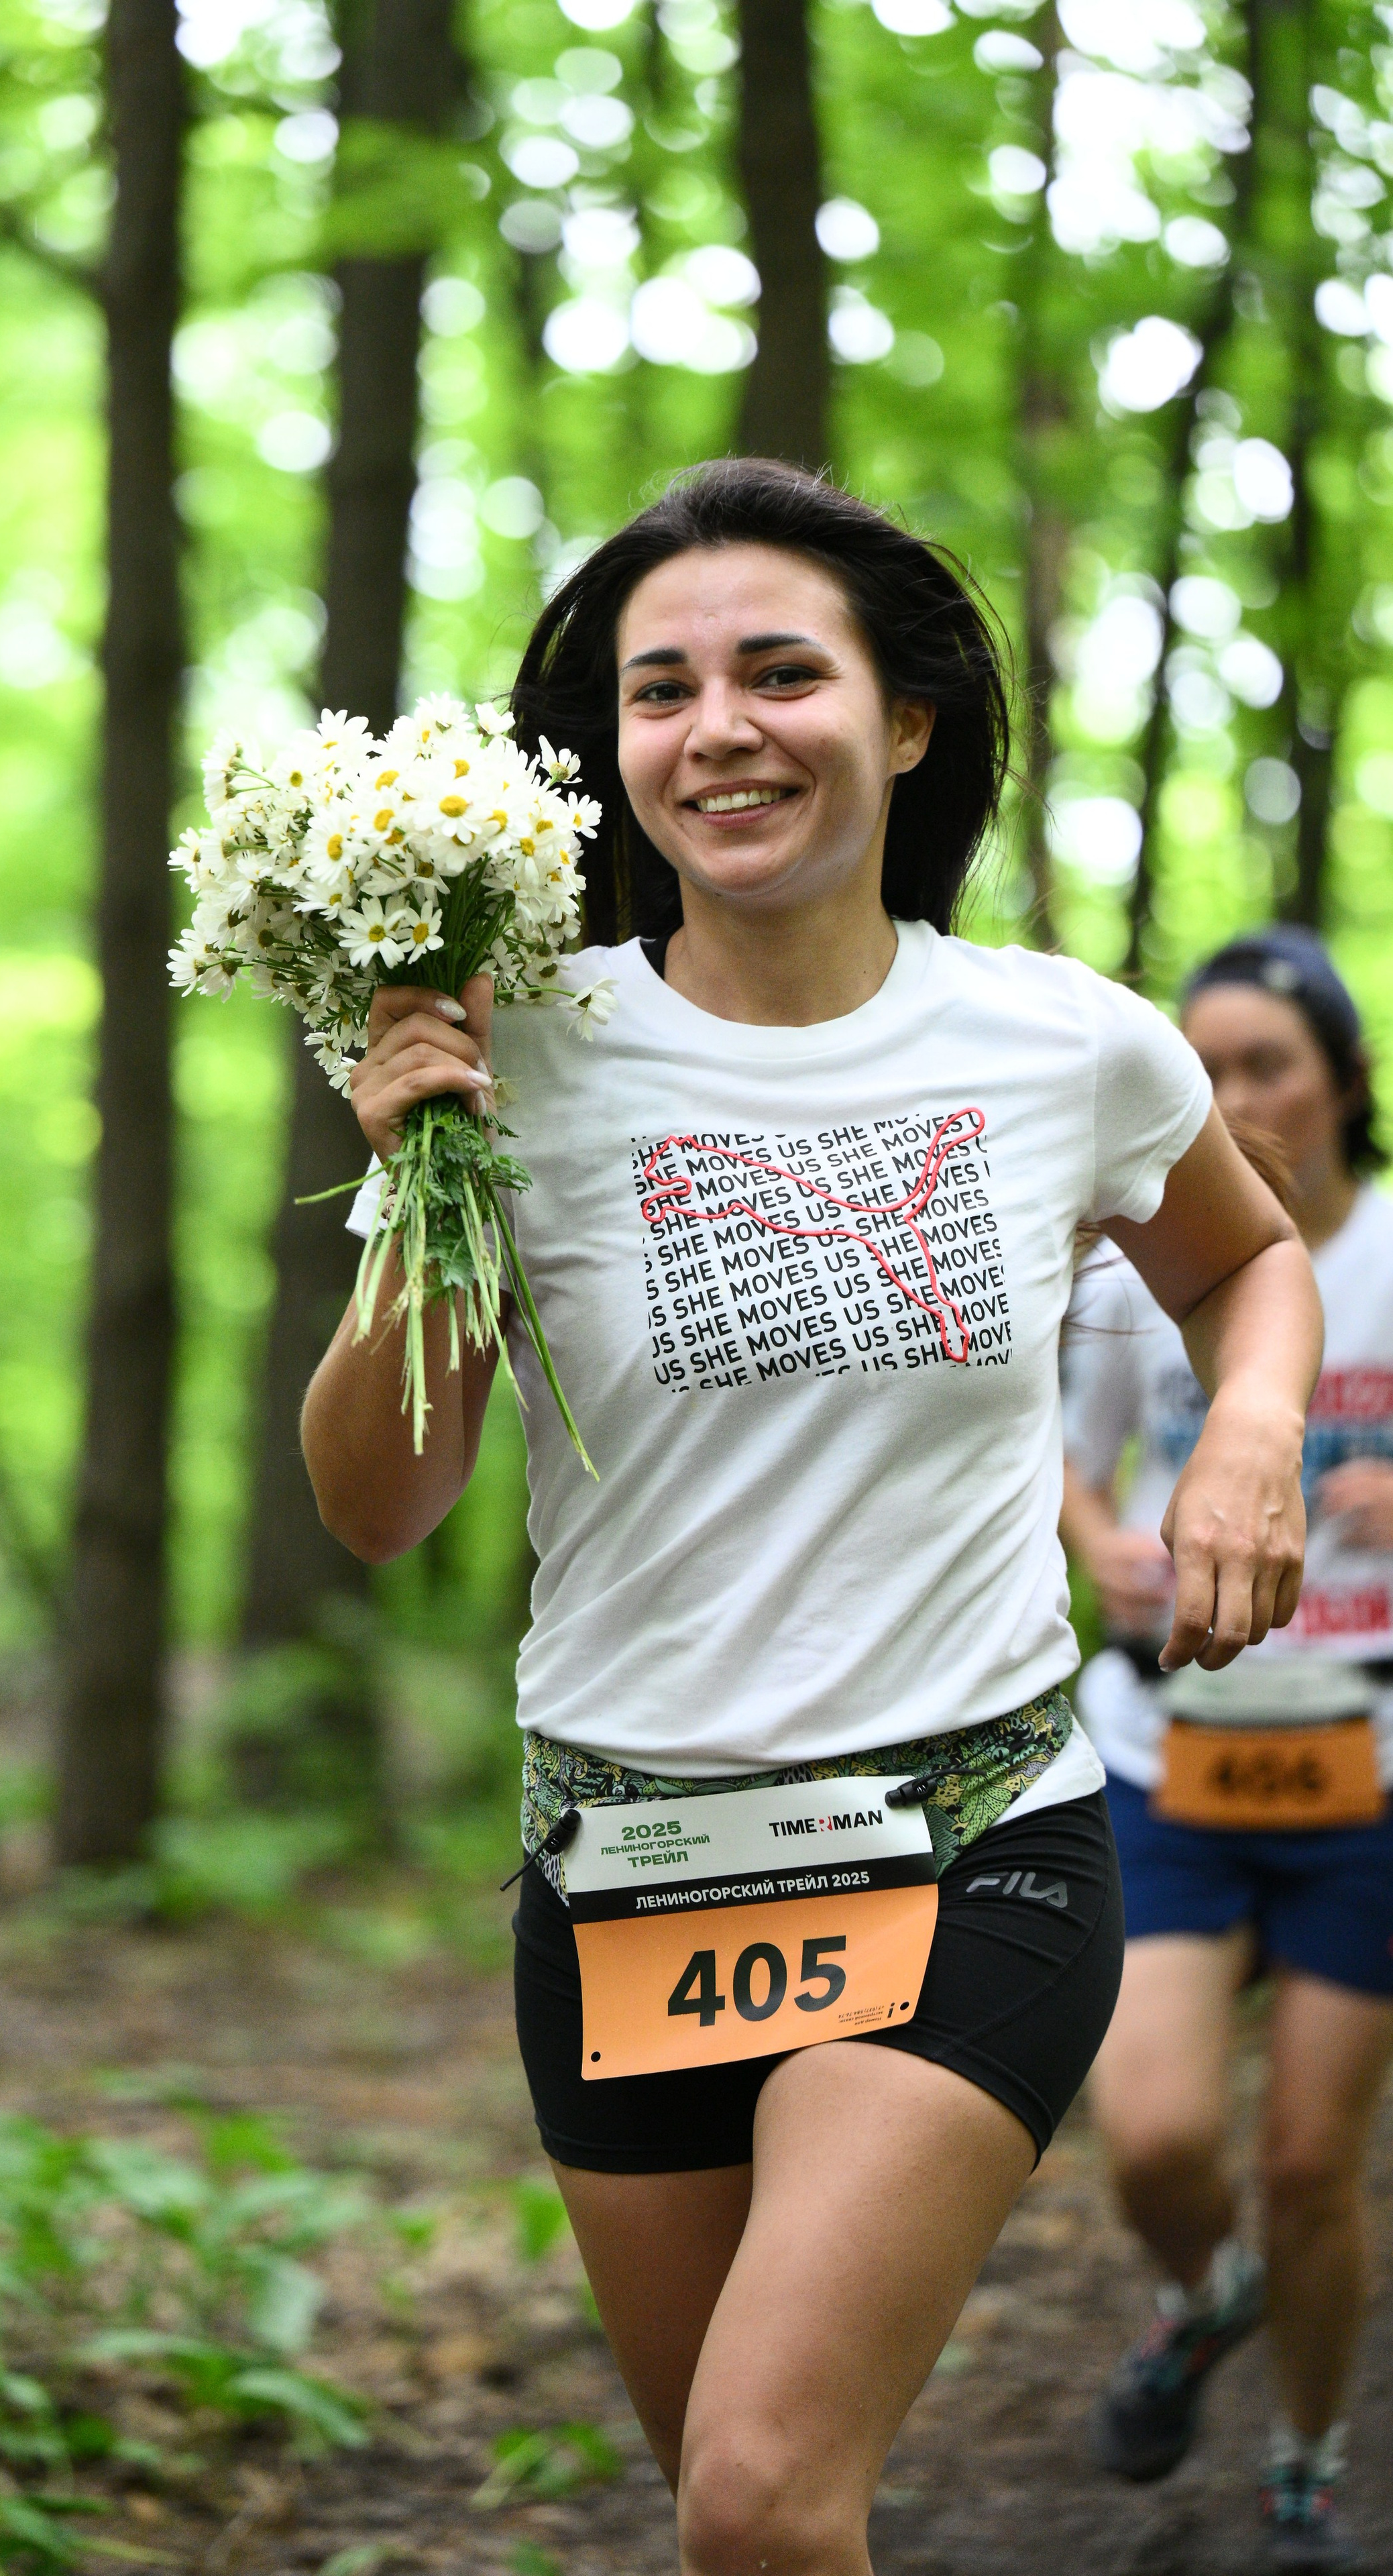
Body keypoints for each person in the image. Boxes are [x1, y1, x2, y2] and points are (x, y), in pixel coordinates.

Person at [302, 458, 1321, 2576]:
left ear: (908, 718)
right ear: (616, 756)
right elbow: (378, 1503)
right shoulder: (525, 1056)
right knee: (755, 2515)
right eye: (663, 692)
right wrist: (416, 1193)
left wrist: (1248, 1435)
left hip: (970, 1852)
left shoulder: (1065, 1044)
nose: (720, 728)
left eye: (783, 671)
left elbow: (1251, 1263)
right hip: (625, 1874)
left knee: (762, 2492)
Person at [1063, 926, 1393, 2574]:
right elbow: (1061, 1464)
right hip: (1162, 1755)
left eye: (1267, 1060)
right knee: (1160, 2141)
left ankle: (1304, 2467)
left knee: (1307, 2158)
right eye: (1206, 1064)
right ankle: (1204, 2299)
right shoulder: (1133, 1254)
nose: (1236, 1092)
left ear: (1341, 1079)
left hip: (1368, 1772)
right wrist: (1102, 1546)